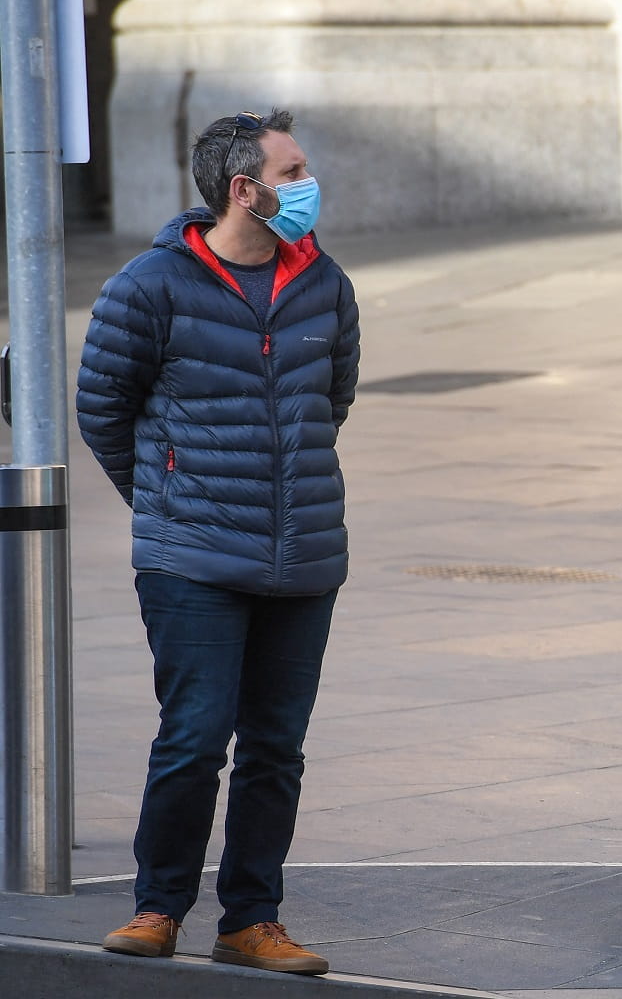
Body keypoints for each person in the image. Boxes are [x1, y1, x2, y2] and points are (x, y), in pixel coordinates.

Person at [77, 109, 359, 976]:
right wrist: (168, 500)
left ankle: (251, 920)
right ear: (245, 190)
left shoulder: (325, 283)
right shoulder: (150, 285)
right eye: (293, 171)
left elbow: (332, 399)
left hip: (302, 553)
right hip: (190, 557)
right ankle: (159, 907)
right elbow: (102, 409)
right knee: (195, 738)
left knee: (276, 747)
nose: (307, 186)